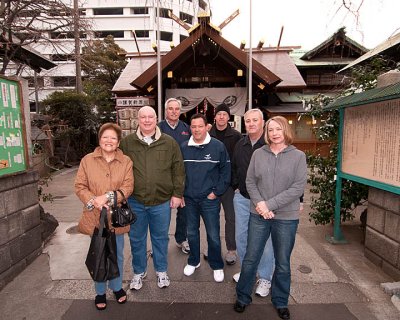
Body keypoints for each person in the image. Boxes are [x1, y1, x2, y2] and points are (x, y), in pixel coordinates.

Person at [234, 116, 307, 320]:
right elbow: (250, 182)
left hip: (286, 216)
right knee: (251, 257)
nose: (274, 133)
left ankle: (281, 301)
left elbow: (297, 187)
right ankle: (242, 297)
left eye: (278, 129)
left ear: (286, 131)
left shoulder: (298, 156)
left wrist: (270, 204)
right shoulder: (259, 153)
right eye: (271, 130)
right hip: (258, 213)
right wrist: (260, 205)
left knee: (282, 261)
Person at [119, 106, 185, 291]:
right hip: (135, 201)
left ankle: (161, 270)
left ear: (156, 119)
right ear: (138, 120)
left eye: (150, 117)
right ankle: (139, 272)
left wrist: (177, 194)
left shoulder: (169, 142)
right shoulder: (127, 143)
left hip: (161, 201)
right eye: (143, 117)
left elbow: (178, 170)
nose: (147, 120)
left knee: (160, 238)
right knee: (136, 239)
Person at [75, 122, 134, 311]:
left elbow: (127, 187)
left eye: (113, 138)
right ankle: (100, 291)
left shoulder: (126, 161)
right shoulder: (87, 160)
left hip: (116, 216)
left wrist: (108, 197)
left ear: (118, 142)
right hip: (95, 216)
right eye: (105, 137)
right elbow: (80, 186)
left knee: (117, 253)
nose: (109, 141)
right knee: (99, 253)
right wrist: (94, 200)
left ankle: (116, 287)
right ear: (100, 139)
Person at [181, 113, 231, 282]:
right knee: (192, 233)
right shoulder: (184, 147)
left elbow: (226, 171)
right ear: (190, 128)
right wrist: (180, 193)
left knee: (213, 234)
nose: (196, 129)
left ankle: (217, 265)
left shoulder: (218, 146)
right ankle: (193, 261)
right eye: (193, 126)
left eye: (200, 126)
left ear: (207, 126)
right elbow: (179, 173)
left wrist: (216, 192)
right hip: (189, 199)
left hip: (209, 199)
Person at [231, 109, 275, 298]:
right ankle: (247, 270)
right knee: (241, 237)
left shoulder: (271, 144)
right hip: (242, 198)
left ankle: (265, 277)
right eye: (247, 120)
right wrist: (235, 186)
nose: (251, 124)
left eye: (255, 120)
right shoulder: (240, 144)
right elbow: (233, 167)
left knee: (265, 241)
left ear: (262, 122)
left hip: (264, 201)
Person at [209, 103, 242, 265]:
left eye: (225, 114)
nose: (221, 117)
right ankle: (213, 248)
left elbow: (238, 162)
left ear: (229, 117)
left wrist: (235, 184)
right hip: (210, 185)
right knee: (211, 218)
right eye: (219, 114)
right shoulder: (208, 134)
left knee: (231, 218)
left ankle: (231, 249)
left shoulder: (236, 136)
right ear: (214, 117)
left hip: (228, 185)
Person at [159, 98, 191, 254]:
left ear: (180, 111)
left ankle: (181, 239)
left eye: (176, 109)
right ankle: (160, 243)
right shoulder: (158, 128)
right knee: (161, 212)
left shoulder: (186, 128)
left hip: (181, 176)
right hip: (162, 176)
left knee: (183, 211)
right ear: (166, 110)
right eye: (170, 108)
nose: (173, 111)